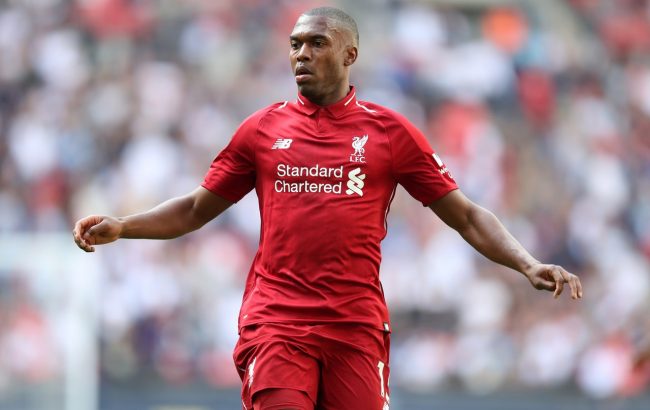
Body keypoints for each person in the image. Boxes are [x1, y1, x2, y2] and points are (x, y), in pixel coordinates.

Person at [73, 6, 583, 410]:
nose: (302, 53)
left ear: (349, 53)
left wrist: (527, 263)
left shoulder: (389, 133)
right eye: (295, 44)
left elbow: (466, 216)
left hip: (355, 326)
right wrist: (124, 226)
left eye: (317, 43)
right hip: (277, 323)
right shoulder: (262, 130)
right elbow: (193, 209)